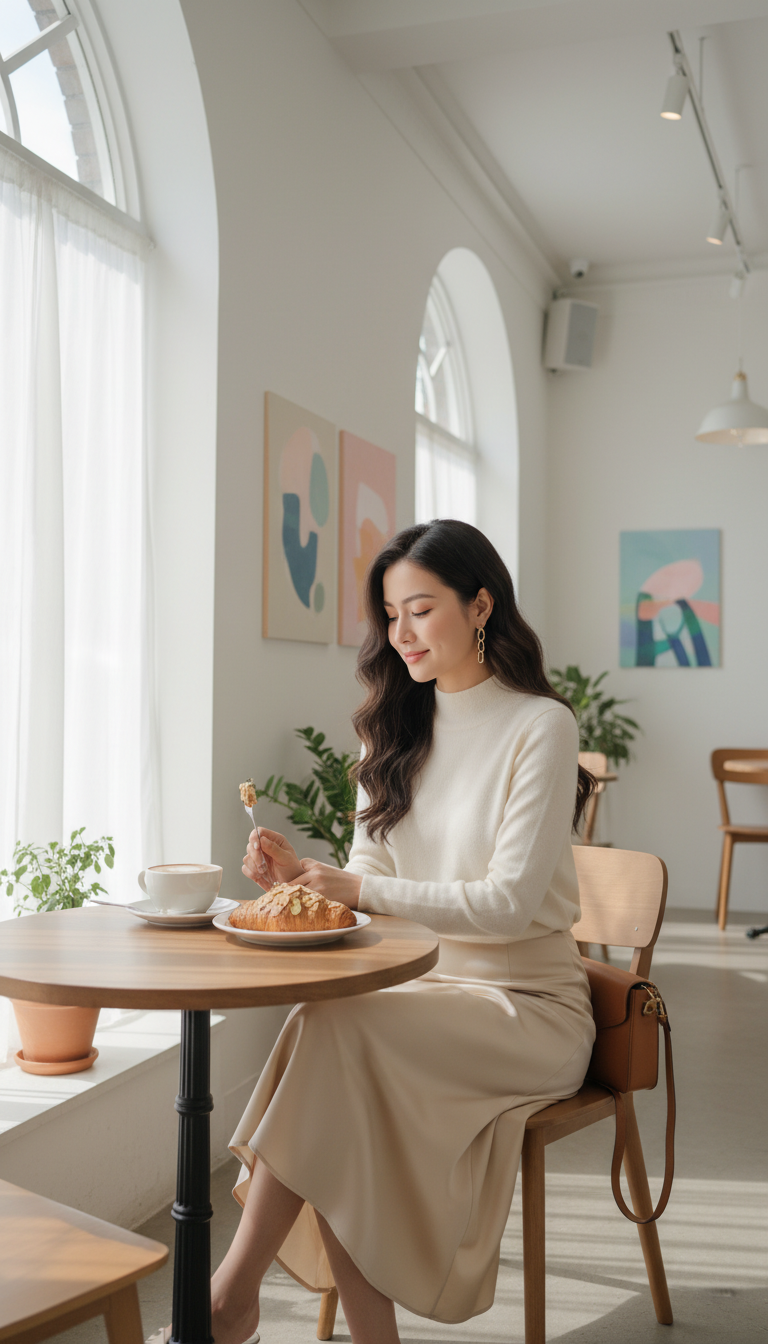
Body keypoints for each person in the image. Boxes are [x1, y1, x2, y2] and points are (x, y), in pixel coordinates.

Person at [212, 519, 596, 1344]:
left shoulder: (541, 727)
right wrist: (304, 882)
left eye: (421, 610)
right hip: (420, 996)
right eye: (391, 616)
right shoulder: (391, 728)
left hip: (526, 1008)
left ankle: (227, 1297)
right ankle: (264, 1308)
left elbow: (505, 905)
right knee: (338, 1048)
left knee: (335, 1037)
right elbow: (371, 885)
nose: (402, 634)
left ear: (480, 605)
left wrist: (355, 886)